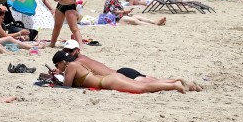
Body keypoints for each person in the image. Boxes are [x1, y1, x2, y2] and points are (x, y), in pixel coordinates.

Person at [59, 39, 202, 91]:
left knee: (150, 85)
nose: (68, 53)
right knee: (155, 82)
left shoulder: (79, 62)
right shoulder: (82, 59)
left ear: (77, 50)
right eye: (66, 51)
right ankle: (187, 84)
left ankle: (181, 83)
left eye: (70, 51)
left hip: (121, 74)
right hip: (121, 72)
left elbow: (73, 78)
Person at [49, 50, 186, 93]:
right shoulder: (76, 63)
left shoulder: (71, 67)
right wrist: (60, 74)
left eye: (57, 64)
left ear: (61, 62)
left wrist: (55, 82)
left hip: (108, 81)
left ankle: (174, 85)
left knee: (142, 88)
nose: (57, 67)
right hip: (111, 78)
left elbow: (67, 86)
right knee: (143, 85)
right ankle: (175, 81)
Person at [99, 0, 166, 26]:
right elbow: (112, 11)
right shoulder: (109, 0)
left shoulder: (116, 0)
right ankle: (154, 25)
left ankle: (153, 21)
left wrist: (125, 12)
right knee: (134, 21)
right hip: (114, 19)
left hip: (120, 16)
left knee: (137, 16)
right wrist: (124, 11)